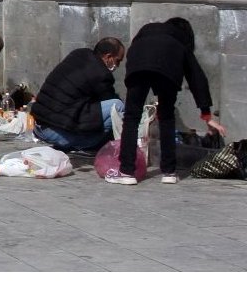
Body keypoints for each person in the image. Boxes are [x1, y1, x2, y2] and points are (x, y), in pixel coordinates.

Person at [109, 17, 227, 186]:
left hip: (138, 66)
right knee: (166, 117)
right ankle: (169, 172)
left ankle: (127, 172)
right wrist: (206, 115)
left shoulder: (147, 30)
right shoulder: (179, 43)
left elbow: (135, 49)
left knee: (132, 117)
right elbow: (197, 78)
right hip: (167, 72)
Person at [30, 38, 127, 152]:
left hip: (39, 127)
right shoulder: (102, 74)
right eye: (118, 61)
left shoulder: (78, 54)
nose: (118, 65)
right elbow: (109, 98)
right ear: (108, 57)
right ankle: (91, 144)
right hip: (56, 134)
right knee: (118, 106)